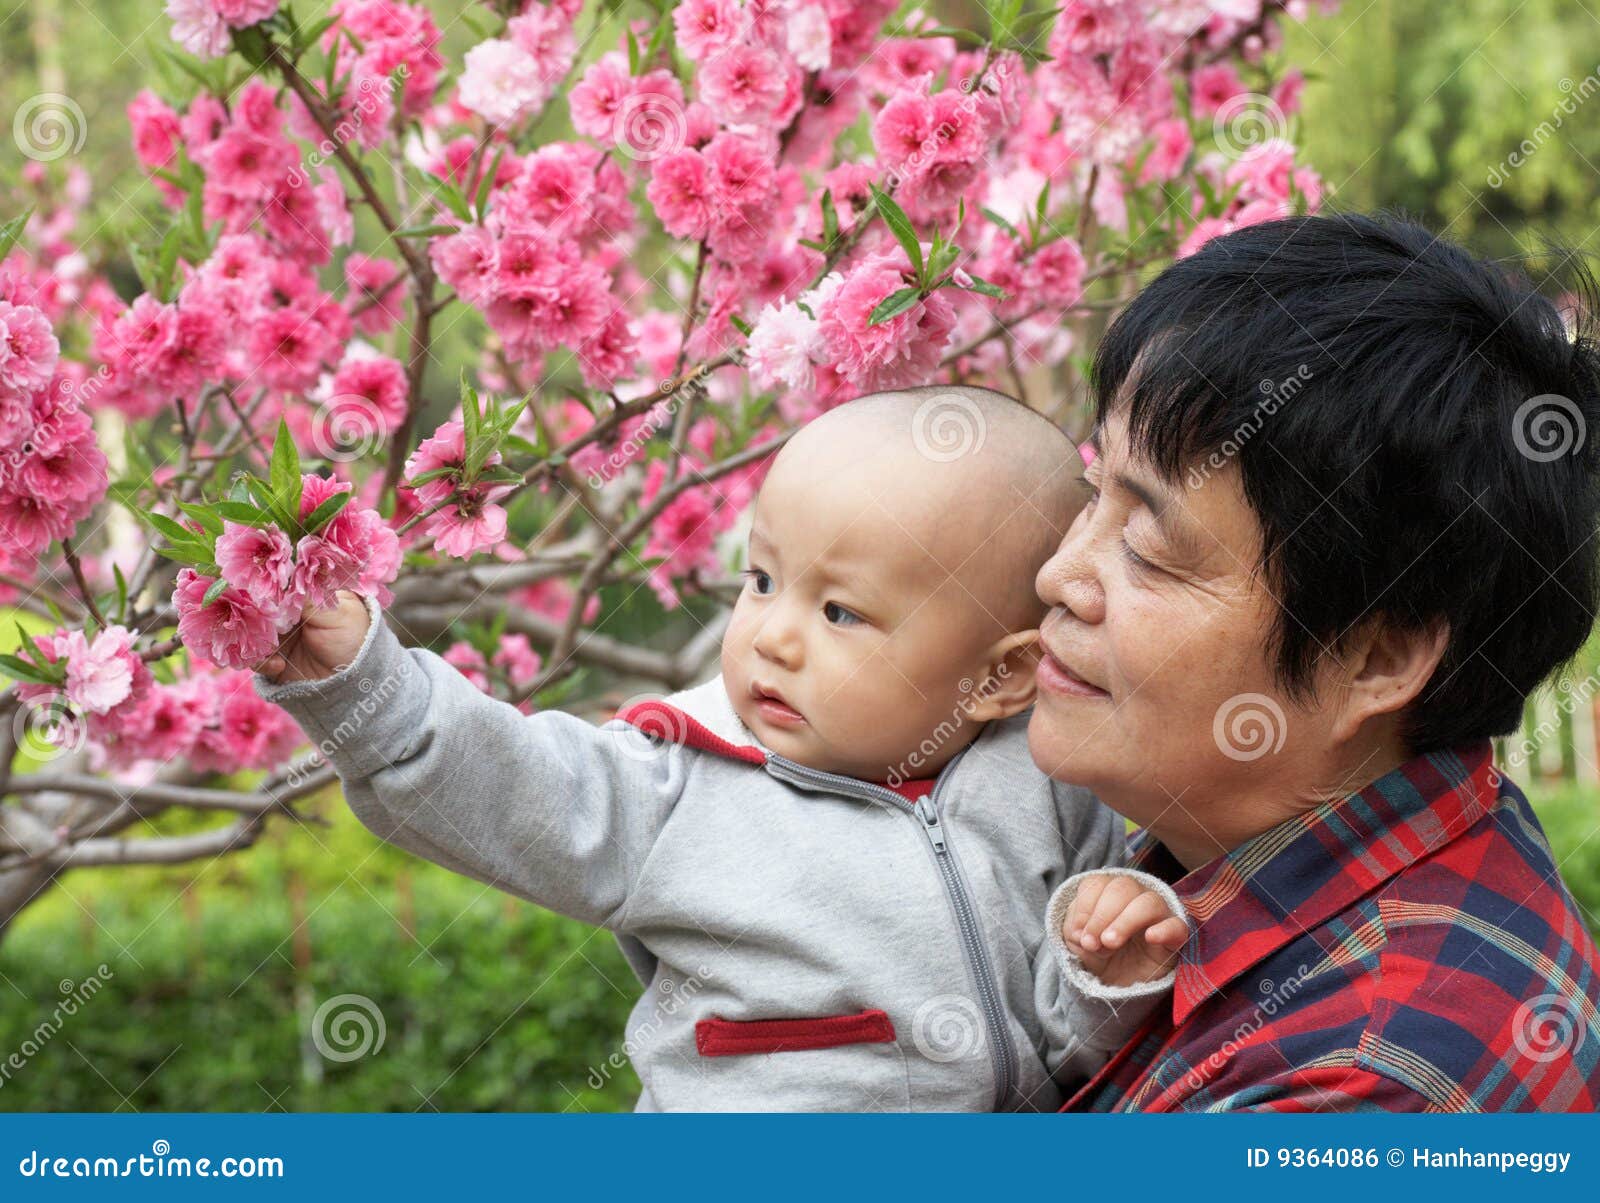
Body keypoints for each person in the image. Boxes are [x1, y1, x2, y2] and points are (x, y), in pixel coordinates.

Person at [252, 385, 1188, 1112]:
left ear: (998, 677)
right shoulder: (676, 774)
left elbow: (1069, 1044)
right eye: (762, 578)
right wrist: (364, 686)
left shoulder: (1047, 781)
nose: (773, 636)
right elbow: (500, 781)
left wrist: (1103, 973)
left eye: (839, 611)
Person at [1027, 211, 1600, 1111]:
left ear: (1377, 657)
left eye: (1147, 546)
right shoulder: (1220, 831)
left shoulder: (1370, 1079)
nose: (1058, 574)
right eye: (1090, 492)